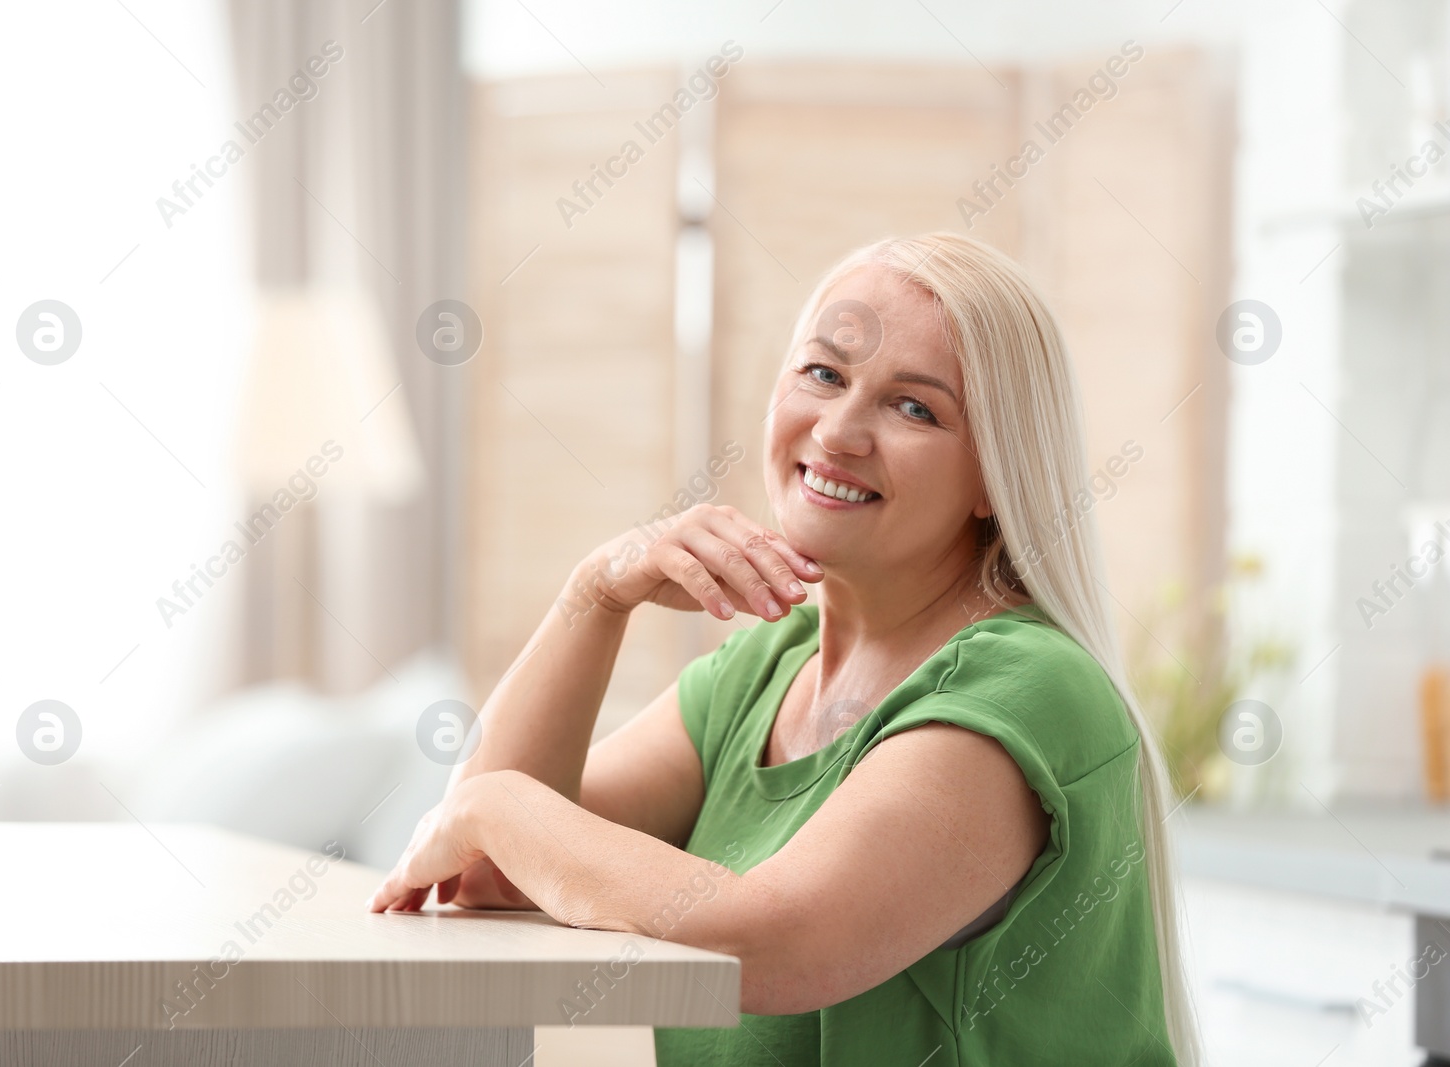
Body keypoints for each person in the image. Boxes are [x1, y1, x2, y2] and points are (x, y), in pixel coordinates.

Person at [365, 232, 1199, 1066]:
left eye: (915, 407)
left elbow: (776, 944)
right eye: (824, 374)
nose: (838, 432)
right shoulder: (767, 668)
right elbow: (481, 876)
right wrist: (594, 596)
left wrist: (494, 806)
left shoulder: (1028, 686)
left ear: (996, 476)